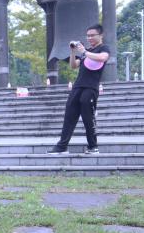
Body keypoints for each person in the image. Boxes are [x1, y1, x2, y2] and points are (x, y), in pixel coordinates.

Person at [47, 23, 110, 155]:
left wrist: (84, 52)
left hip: (91, 87)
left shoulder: (103, 48)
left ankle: (93, 146)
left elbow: (103, 58)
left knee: (88, 117)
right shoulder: (86, 52)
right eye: (88, 36)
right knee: (69, 115)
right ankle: (62, 146)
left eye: (92, 35)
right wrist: (73, 52)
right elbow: (73, 65)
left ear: (101, 35)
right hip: (78, 86)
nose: (89, 38)